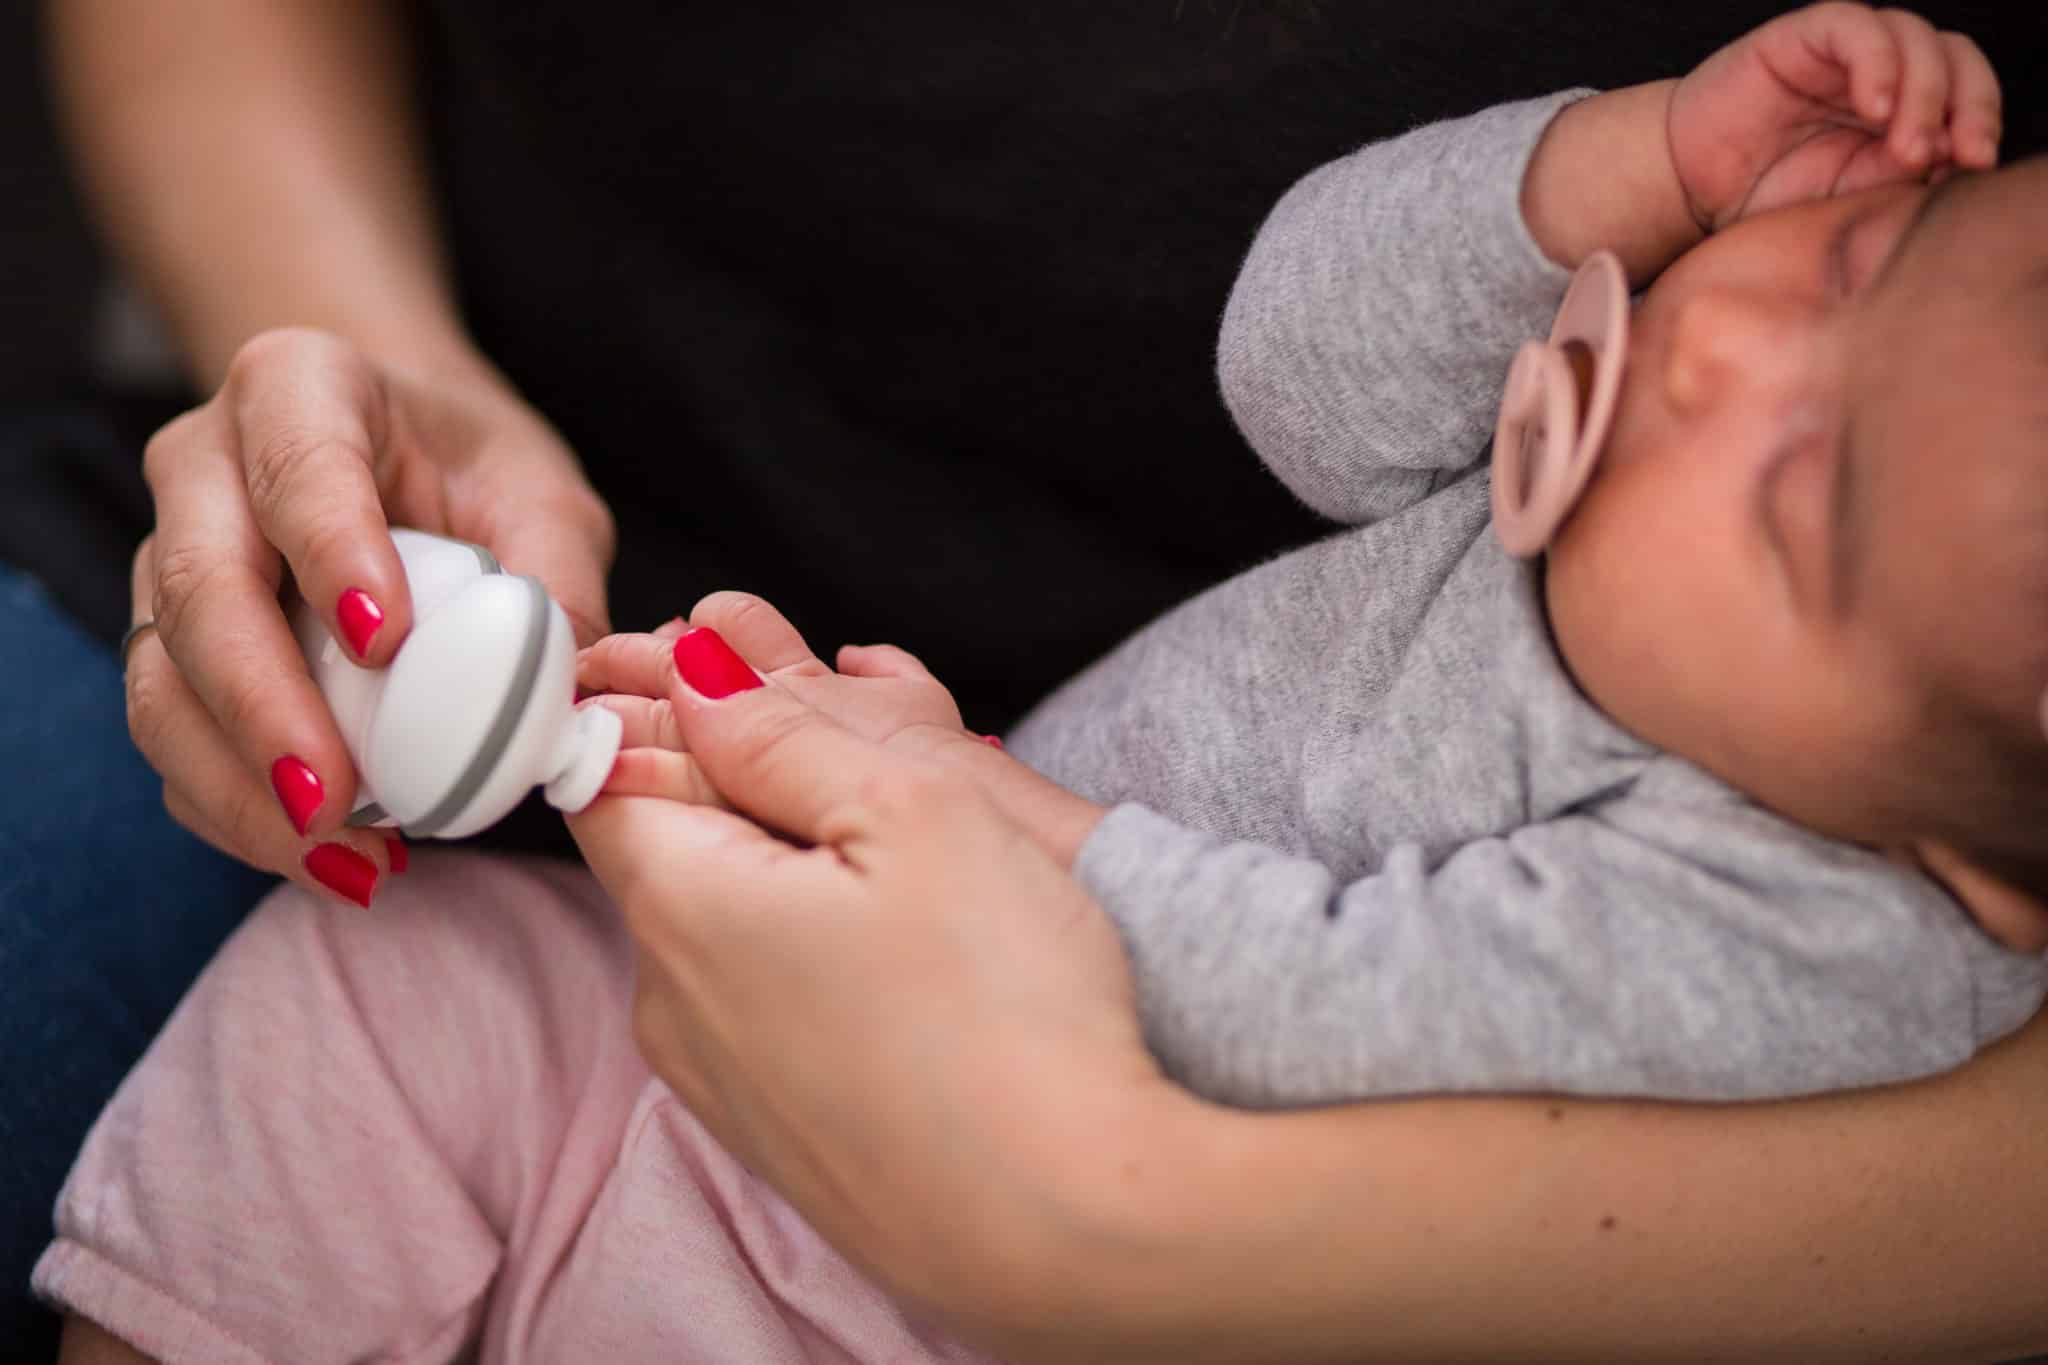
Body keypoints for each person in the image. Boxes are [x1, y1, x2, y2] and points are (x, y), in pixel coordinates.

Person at [35, 8, 2048, 1361]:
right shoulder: (1597, 482)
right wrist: (1634, 170)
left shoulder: (1815, 924)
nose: (1714, 365)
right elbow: (1294, 353)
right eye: (1861, 269)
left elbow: (1331, 1015)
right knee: (392, 990)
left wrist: (975, 821)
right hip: (764, 968)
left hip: (970, 1297)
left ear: (1987, 865)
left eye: (1805, 503)